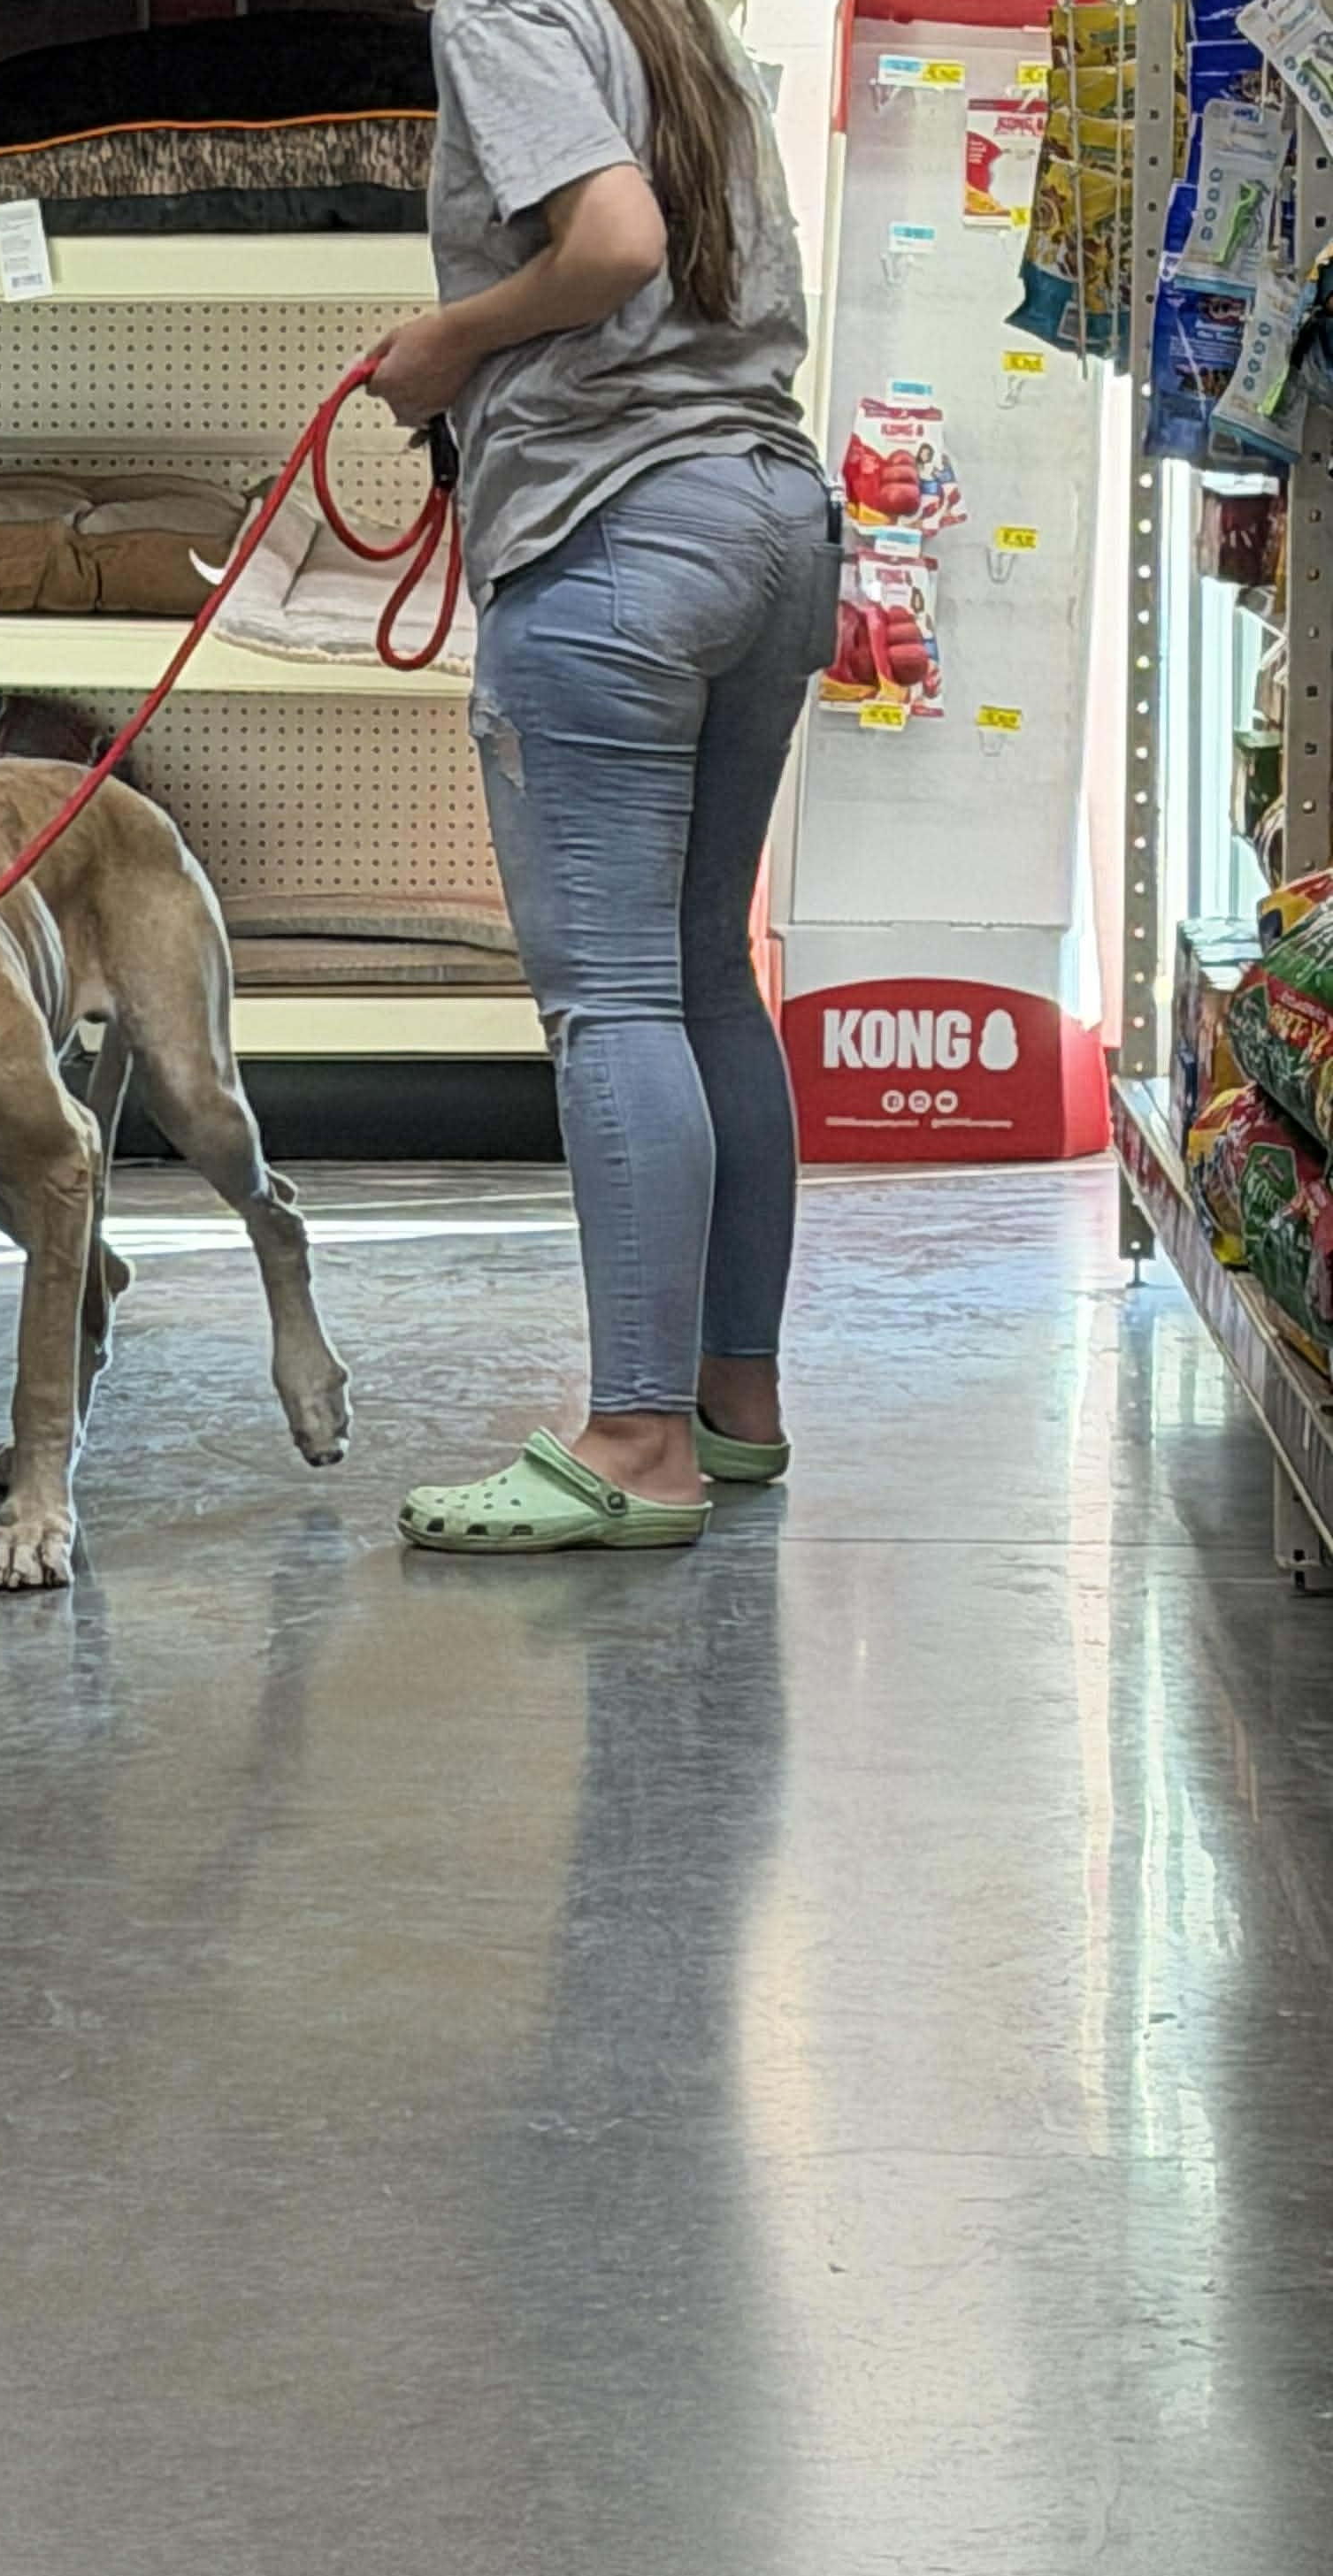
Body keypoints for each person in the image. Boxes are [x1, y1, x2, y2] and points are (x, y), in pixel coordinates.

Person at [368, 0, 838, 1555]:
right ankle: (731, 1403)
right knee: (707, 979)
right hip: (770, 514)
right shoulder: (667, 11)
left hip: (616, 534)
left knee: (616, 1000)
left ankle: (635, 1441)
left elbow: (616, 241)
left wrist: (446, 343)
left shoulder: (507, 10)